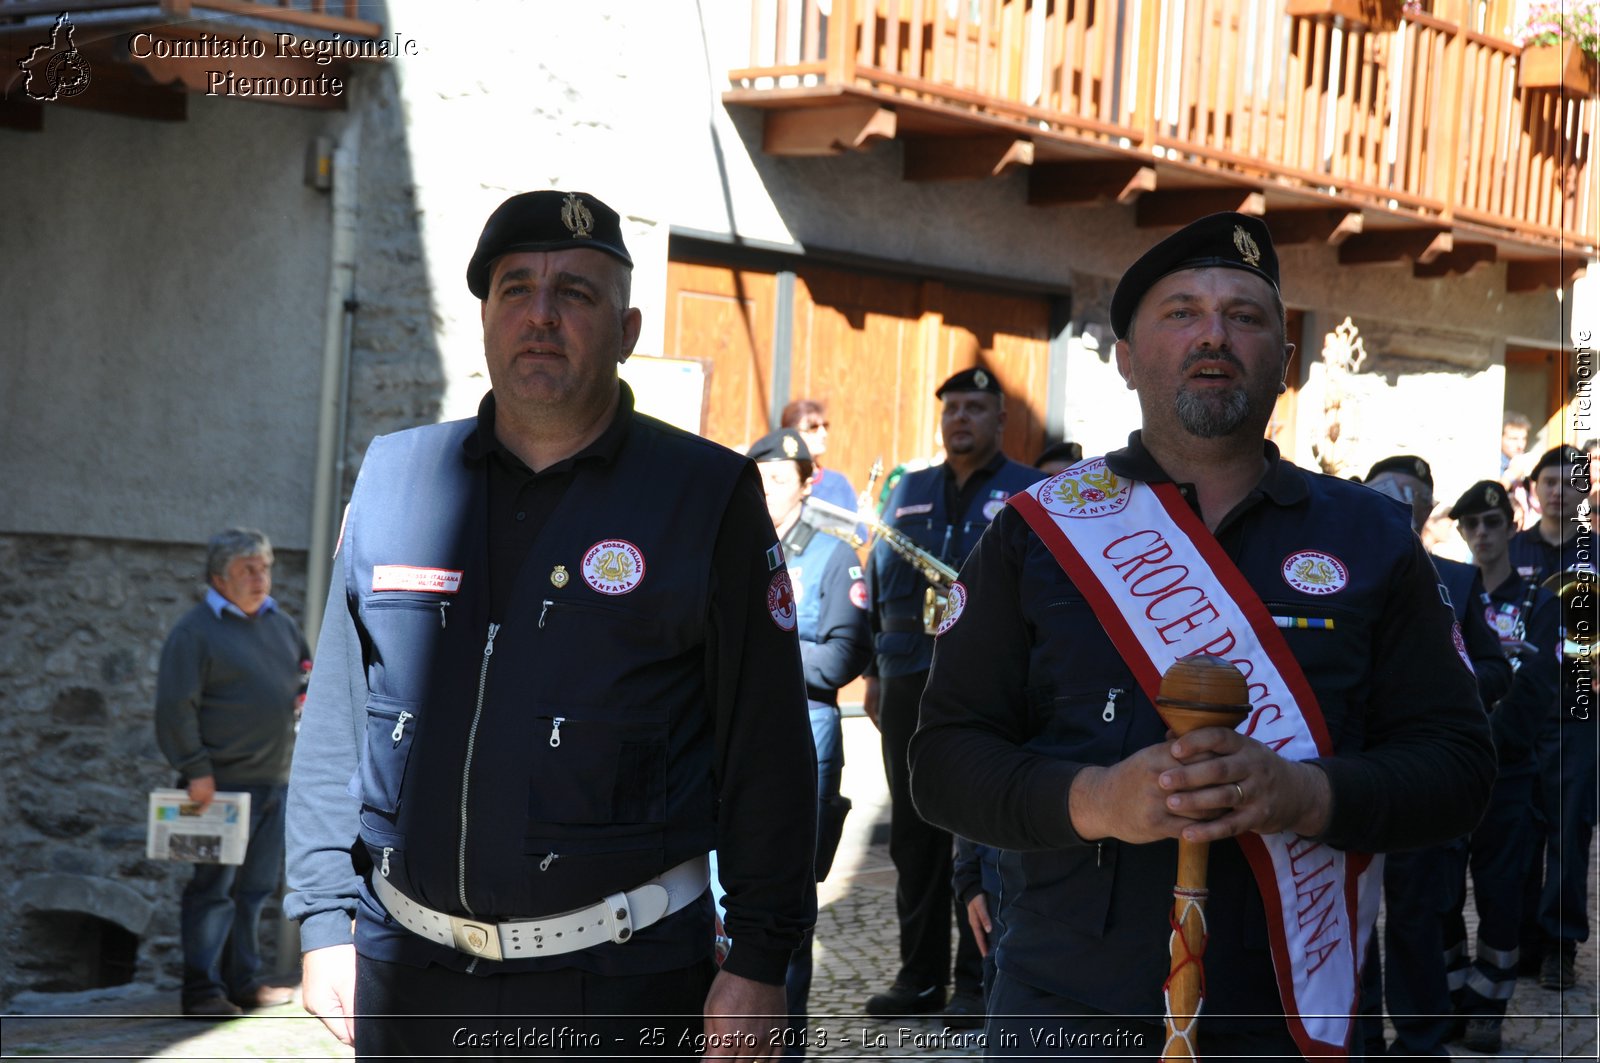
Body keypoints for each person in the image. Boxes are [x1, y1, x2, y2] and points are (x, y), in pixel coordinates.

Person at [908, 213, 1496, 1058]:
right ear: (1124, 355)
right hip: (1066, 1012)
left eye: (1246, 316)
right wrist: (1099, 800)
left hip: (1294, 1016)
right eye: (1181, 311)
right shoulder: (1036, 535)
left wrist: (1306, 795)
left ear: (1285, 364)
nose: (1213, 333)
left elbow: (1461, 766)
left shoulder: (1372, 539)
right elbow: (942, 763)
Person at [284, 190, 817, 1058]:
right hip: (409, 977)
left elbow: (768, 749)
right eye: (514, 289)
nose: (540, 314)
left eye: (575, 293)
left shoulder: (704, 496)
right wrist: (320, 919)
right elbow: (336, 720)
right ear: (486, 318)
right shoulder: (395, 477)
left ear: (629, 326)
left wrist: (761, 953)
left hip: (619, 982)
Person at [859, 366, 1042, 1026]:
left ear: (1000, 419)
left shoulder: (1030, 490)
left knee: (982, 830)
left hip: (988, 679)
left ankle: (975, 980)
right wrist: (874, 670)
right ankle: (918, 976)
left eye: (975, 406)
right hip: (908, 673)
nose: (960, 417)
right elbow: (878, 581)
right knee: (915, 833)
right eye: (952, 408)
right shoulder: (908, 488)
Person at [1356, 457, 1511, 1059]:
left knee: (1419, 913)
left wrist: (1443, 688)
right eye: (1384, 497)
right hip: (1349, 775)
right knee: (1349, 917)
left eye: (1411, 501)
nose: (1398, 508)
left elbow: (1497, 668)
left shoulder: (1456, 580)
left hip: (1419, 774)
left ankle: (1421, 1042)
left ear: (1426, 513)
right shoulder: (1327, 574)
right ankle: (1360, 1036)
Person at [746, 426, 871, 1056]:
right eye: (758, 478)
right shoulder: (734, 552)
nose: (765, 490)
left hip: (806, 736)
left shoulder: (833, 555)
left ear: (805, 483)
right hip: (734, 745)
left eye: (777, 479)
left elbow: (845, 657)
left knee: (787, 911)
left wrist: (760, 655)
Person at [155, 528, 309, 1017]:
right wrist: (195, 769)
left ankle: (242, 984)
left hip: (274, 783)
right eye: (248, 569)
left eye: (264, 566)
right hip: (217, 788)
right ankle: (202, 993)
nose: (260, 576)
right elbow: (175, 708)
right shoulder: (194, 631)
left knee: (254, 891)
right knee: (213, 892)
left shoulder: (281, 624)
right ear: (219, 578)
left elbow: (303, 682)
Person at [1439, 480, 1560, 1053]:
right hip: (1445, 773)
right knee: (1434, 891)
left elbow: (1538, 686)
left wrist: (1480, 738)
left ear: (1513, 527)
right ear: (1460, 532)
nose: (1482, 534)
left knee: (1501, 892)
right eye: (1471, 525)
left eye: (1492, 522)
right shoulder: (1447, 597)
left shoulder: (1541, 599)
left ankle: (1489, 1001)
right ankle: (1449, 989)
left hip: (1506, 772)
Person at [1512, 444, 1597, 992]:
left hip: (1578, 712)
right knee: (1515, 831)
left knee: (1568, 832)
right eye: (1549, 481)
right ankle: (1519, 939)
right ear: (1534, 488)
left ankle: (1559, 946)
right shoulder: (1510, 549)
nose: (1558, 491)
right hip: (1518, 712)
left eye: (1571, 483)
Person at [781, 398, 858, 513]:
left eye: (825, 426)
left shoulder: (839, 483)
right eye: (813, 427)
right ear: (791, 434)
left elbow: (858, 529)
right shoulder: (777, 480)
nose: (823, 434)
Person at [1501, 412, 1531, 476]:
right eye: (1514, 439)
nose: (1520, 445)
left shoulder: (1526, 462)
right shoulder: (1491, 465)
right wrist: (1512, 476)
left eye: (1524, 439)